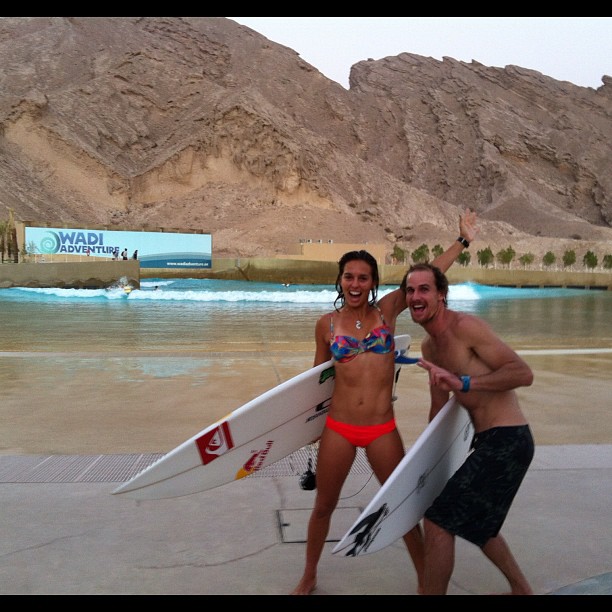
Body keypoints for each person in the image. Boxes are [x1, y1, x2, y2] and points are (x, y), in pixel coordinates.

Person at [291, 209, 478, 595]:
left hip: (381, 429)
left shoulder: (387, 310)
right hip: (339, 428)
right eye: (349, 277)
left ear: (373, 282)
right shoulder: (326, 325)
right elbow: (317, 380)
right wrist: (310, 428)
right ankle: (308, 576)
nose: (355, 284)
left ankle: (426, 583)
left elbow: (430, 274)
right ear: (340, 281)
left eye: (363, 278)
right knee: (323, 506)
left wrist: (462, 241)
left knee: (403, 508)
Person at [404, 262, 534, 595]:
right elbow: (438, 407)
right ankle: (521, 589)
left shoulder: (466, 328)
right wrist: (423, 463)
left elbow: (522, 373)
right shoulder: (430, 347)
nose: (415, 297)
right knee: (480, 524)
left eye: (424, 289)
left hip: (508, 439)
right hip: (487, 440)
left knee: (438, 521)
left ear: (441, 295)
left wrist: (464, 382)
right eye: (410, 290)